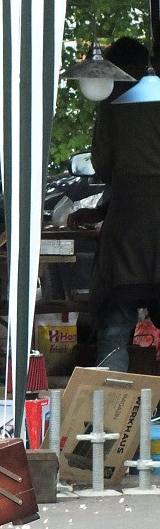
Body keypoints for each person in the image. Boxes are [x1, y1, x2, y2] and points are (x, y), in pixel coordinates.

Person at [88, 37, 160, 369]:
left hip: (129, 217)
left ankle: (108, 412)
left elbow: (102, 162)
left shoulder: (113, 98)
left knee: (116, 323)